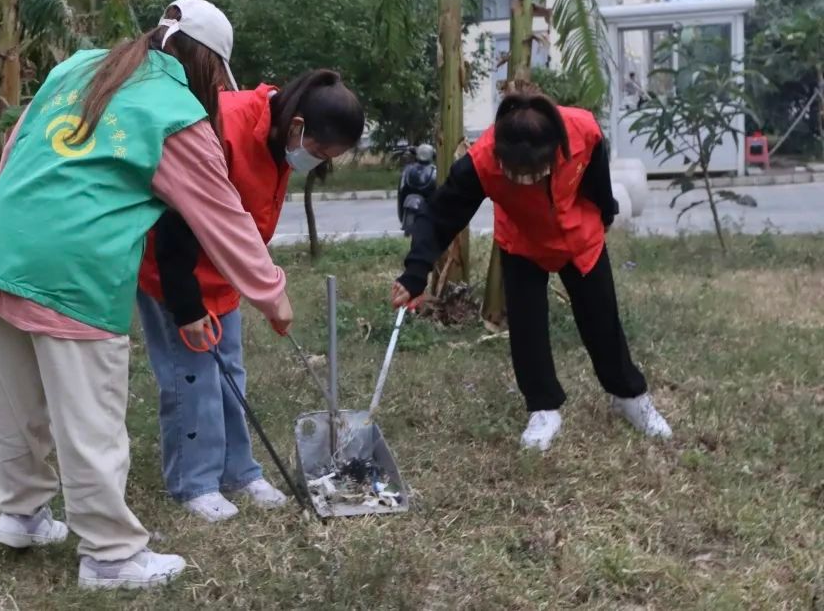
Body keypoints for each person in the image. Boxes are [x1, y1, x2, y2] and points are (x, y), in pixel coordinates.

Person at [0, 0, 293, 591]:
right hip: (75, 268)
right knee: (91, 420)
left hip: (2, 246)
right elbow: (224, 218)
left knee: (15, 404)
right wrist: (273, 294)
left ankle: (22, 515)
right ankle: (111, 557)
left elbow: (15, 149)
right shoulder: (177, 114)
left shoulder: (81, 66)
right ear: (210, 67)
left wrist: (19, 225)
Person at [137, 70, 364, 522]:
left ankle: (238, 471)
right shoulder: (224, 126)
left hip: (224, 275)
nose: (315, 163)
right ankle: (195, 483)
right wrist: (186, 307)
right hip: (175, 273)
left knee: (229, 375)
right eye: (318, 153)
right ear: (297, 125)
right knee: (192, 378)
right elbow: (176, 218)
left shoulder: (280, 140)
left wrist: (260, 288)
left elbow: (244, 222)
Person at [390, 90, 671, 452]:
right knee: (527, 327)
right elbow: (439, 215)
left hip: (580, 236)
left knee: (602, 319)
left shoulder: (583, 131)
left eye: (533, 174)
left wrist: (606, 210)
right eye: (515, 175)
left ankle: (629, 397)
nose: (524, 182)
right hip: (522, 240)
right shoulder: (480, 163)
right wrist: (415, 274)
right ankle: (543, 409)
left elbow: (597, 173)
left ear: (556, 152)